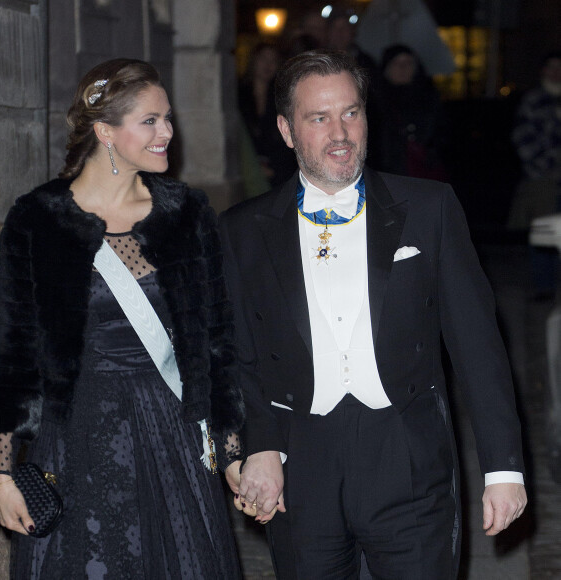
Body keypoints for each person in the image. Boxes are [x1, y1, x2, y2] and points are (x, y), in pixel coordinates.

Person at [219, 50, 527, 579]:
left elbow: (479, 346)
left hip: (407, 455)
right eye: (319, 118)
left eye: (352, 112)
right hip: (302, 465)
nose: (340, 133)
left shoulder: (428, 208)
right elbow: (236, 355)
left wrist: (504, 468)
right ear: (286, 131)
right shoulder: (243, 229)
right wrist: (254, 448)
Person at [0, 58, 244, 579]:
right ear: (104, 131)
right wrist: (2, 475)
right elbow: (13, 357)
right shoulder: (38, 219)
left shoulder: (187, 214)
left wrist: (233, 455)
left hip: (172, 436)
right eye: (149, 120)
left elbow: (218, 345)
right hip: (77, 438)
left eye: (167, 118)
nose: (167, 131)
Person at [509, 51, 561, 300]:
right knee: (543, 232)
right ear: (543, 71)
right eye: (551, 67)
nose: (556, 73)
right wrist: (544, 166)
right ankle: (544, 286)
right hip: (543, 178)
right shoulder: (534, 100)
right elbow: (523, 139)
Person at [370, 44, 449, 181]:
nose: (403, 68)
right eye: (396, 63)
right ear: (386, 68)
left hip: (424, 173)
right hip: (386, 174)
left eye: (408, 63)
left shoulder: (429, 98)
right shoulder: (374, 102)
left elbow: (442, 135)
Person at [238, 42, 296, 189]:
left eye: (273, 61)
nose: (268, 65)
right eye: (263, 59)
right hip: (245, 167)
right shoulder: (239, 94)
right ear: (254, 61)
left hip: (277, 172)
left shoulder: (282, 99)